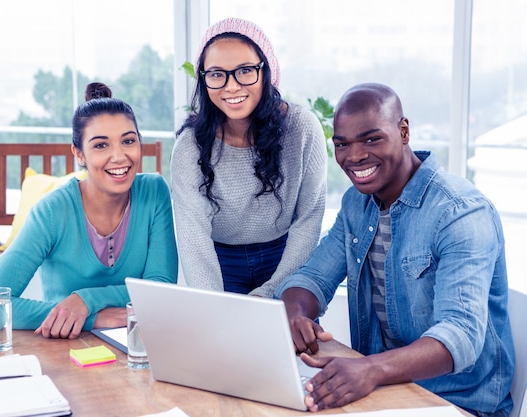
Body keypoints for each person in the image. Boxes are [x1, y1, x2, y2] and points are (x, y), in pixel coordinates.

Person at [274, 82, 514, 416]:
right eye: (342, 144)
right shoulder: (357, 204)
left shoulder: (459, 212)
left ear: (403, 131)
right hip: (385, 394)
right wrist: (295, 313)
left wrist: (370, 369)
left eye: (371, 139)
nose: (355, 156)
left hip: (457, 403)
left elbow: (460, 335)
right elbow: (314, 276)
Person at [0, 82, 178, 339]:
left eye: (128, 141)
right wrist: (93, 319)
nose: (119, 157)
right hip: (64, 350)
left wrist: (86, 299)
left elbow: (160, 289)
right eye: (101, 145)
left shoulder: (154, 192)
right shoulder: (51, 212)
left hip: (135, 346)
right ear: (79, 154)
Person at [171, 17, 328, 297]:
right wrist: (215, 306)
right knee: (220, 338)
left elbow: (308, 220)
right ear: (204, 79)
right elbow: (194, 241)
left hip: (286, 257)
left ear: (266, 71)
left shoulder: (302, 128)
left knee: (294, 340)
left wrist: (271, 292)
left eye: (245, 70)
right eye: (217, 74)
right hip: (220, 263)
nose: (231, 86)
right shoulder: (189, 147)